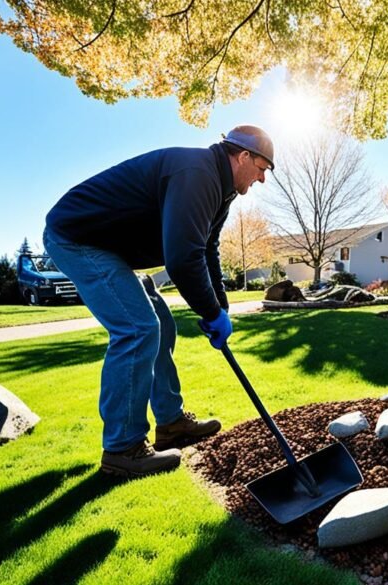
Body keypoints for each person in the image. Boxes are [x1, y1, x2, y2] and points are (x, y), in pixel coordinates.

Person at [42, 125, 274, 477]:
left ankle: (170, 423)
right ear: (243, 156)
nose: (261, 179)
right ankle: (123, 448)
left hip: (113, 248)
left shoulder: (222, 190)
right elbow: (182, 258)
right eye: (262, 168)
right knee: (137, 329)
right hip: (78, 238)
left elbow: (206, 248)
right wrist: (209, 312)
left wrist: (220, 308)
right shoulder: (197, 174)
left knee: (161, 327)